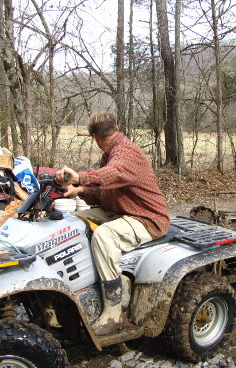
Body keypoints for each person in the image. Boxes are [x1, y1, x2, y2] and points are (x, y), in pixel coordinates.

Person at [55, 111, 170, 335]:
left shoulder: (126, 152)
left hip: (146, 218)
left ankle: (114, 311)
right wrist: (80, 190)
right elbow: (104, 191)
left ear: (94, 137)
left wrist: (80, 177)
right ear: (116, 126)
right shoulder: (111, 153)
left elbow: (112, 174)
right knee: (73, 224)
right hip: (119, 213)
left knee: (103, 235)